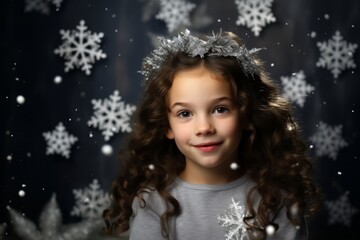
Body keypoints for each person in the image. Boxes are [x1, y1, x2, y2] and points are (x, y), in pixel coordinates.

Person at [103, 29, 323, 240]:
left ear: (246, 115)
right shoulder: (153, 203)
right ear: (166, 126)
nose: (204, 127)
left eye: (220, 109)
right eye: (185, 113)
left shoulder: (275, 199)